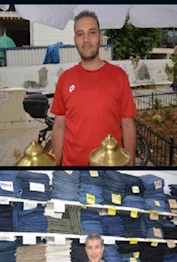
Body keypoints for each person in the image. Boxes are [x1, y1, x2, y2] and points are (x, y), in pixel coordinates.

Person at [50, 10, 137, 166]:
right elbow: (59, 127)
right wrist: (55, 165)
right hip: (72, 172)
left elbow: (128, 125)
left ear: (100, 38)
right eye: (80, 34)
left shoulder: (118, 77)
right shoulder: (65, 79)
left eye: (92, 32)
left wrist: (130, 166)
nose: (86, 39)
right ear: (74, 40)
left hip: (110, 170)